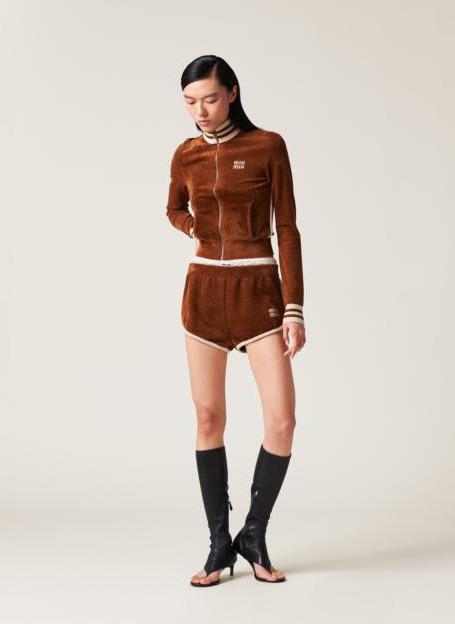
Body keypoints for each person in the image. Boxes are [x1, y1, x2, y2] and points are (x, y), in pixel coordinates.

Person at [166, 55, 306, 587]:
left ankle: (254, 533)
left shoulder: (268, 145)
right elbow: (173, 208)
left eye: (209, 98)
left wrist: (293, 306)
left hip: (258, 290)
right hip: (203, 292)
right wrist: (195, 227)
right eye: (190, 102)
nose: (200, 111)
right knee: (208, 418)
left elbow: (287, 228)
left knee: (282, 420)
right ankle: (219, 545)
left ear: (232, 92)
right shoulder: (186, 154)